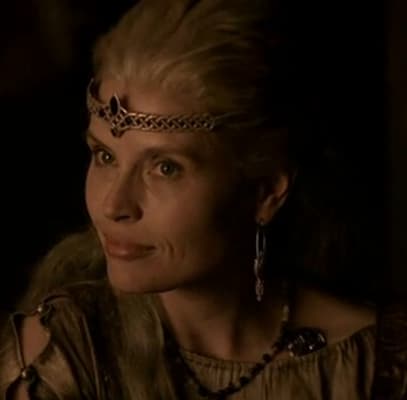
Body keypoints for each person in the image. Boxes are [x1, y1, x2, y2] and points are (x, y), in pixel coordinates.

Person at [0, 0, 378, 399]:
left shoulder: (374, 366)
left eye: (165, 168)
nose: (113, 206)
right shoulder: (59, 359)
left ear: (265, 192)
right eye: (105, 156)